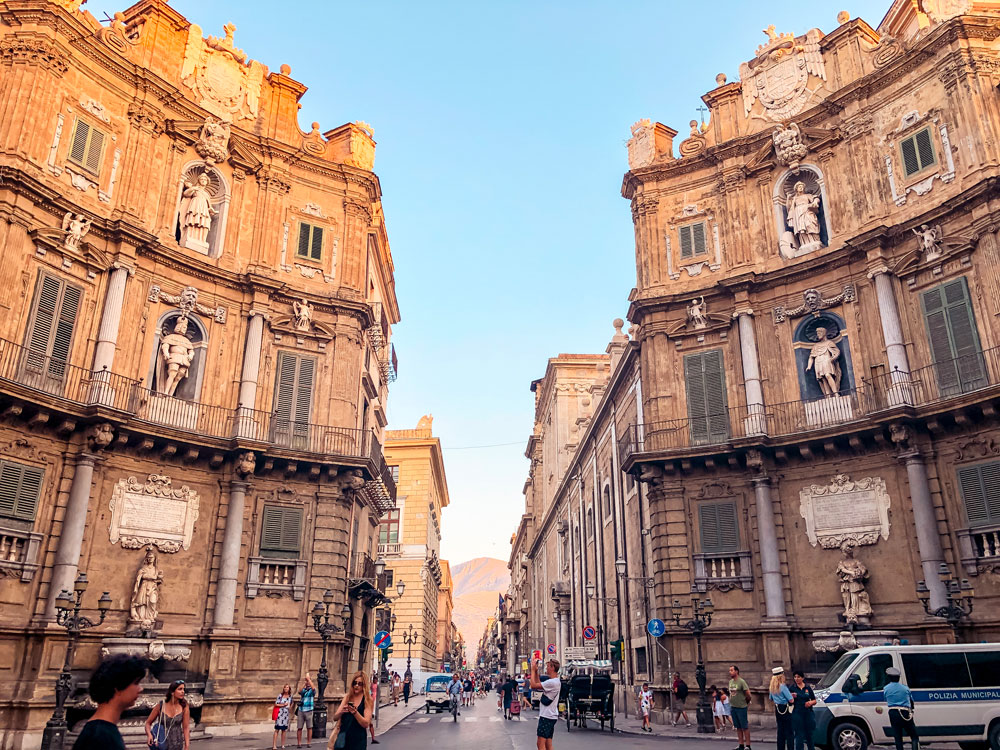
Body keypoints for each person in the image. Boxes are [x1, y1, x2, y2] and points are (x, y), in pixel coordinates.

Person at [73, 655, 146, 750]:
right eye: (136, 683)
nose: (141, 689)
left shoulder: (99, 730)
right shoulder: (101, 736)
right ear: (118, 688)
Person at [330, 671, 373, 750]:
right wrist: (342, 711)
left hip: (358, 740)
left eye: (360, 684)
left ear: (364, 686)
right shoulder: (347, 697)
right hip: (343, 737)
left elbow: (366, 724)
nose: (356, 686)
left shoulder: (367, 700)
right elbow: (335, 717)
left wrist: (355, 713)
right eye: (355, 683)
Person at [145, 680, 190, 750]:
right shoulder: (160, 706)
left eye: (184, 689)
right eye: (180, 689)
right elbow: (148, 723)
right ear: (172, 692)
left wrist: (187, 746)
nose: (183, 691)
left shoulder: (184, 706)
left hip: (177, 744)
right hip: (161, 743)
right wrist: (149, 735)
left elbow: (186, 727)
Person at [529, 658, 561, 750]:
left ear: (552, 667)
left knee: (540, 744)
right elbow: (539, 685)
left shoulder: (552, 682)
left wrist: (532, 670)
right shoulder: (555, 681)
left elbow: (533, 686)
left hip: (546, 716)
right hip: (551, 715)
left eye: (547, 666)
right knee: (548, 744)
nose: (546, 668)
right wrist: (536, 672)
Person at [884, 667, 919, 750]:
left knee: (898, 737)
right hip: (905, 712)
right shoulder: (905, 688)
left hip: (893, 713)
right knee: (914, 736)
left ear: (889, 677)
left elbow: (886, 699)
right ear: (898, 678)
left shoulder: (886, 688)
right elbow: (911, 702)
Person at [769, 667, 795, 750]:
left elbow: (770, 698)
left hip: (777, 708)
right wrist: (791, 696)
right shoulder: (783, 687)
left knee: (780, 731)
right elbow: (791, 700)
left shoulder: (772, 687)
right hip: (785, 708)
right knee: (789, 731)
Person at [790, 671, 817, 750]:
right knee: (799, 735)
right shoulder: (792, 688)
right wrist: (791, 698)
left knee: (809, 734)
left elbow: (814, 700)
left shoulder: (807, 688)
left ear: (802, 678)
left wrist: (810, 702)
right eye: (795, 677)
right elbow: (788, 700)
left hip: (808, 712)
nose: (796, 679)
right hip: (797, 712)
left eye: (798, 677)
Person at [729, 664, 753, 750]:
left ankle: (748, 745)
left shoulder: (741, 681)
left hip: (741, 707)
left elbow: (748, 694)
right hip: (733, 706)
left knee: (744, 726)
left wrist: (746, 702)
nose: (730, 672)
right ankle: (741, 744)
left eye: (732, 670)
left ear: (736, 671)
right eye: (730, 670)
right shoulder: (730, 682)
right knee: (738, 727)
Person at [296, 674, 315, 748]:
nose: (307, 682)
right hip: (301, 710)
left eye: (308, 680)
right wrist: (305, 682)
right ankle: (299, 743)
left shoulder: (312, 691)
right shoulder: (304, 690)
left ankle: (309, 742)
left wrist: (309, 680)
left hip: (309, 710)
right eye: (306, 680)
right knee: (299, 727)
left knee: (309, 727)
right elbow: (299, 691)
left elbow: (313, 689)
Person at [272, 684, 293, 750]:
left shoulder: (290, 697)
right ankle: (274, 745)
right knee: (277, 729)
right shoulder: (280, 696)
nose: (286, 688)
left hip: (285, 715)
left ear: (289, 689)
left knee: (284, 730)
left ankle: (283, 745)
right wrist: (283, 704)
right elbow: (276, 704)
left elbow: (291, 704)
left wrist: (290, 707)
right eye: (285, 687)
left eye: (287, 687)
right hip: (279, 714)